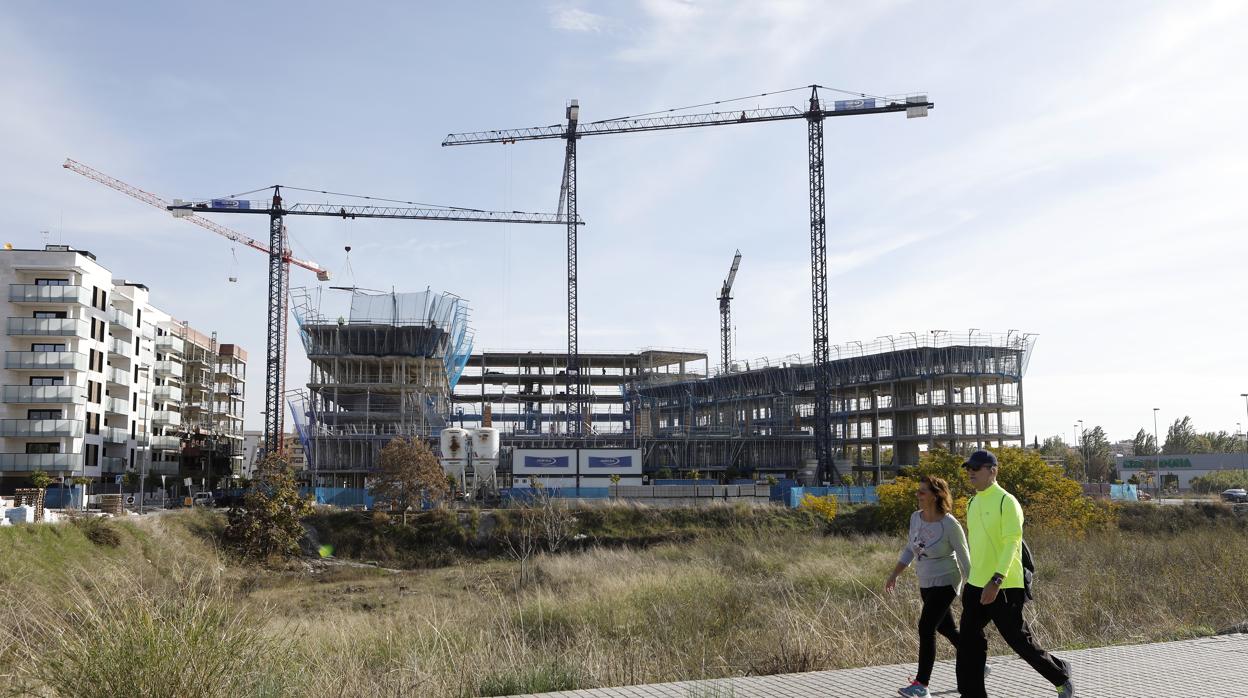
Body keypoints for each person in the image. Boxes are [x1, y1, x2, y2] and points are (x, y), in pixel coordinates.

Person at [956, 449, 1074, 698]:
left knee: (1018, 641)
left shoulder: (1006, 501)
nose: (971, 472)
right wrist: (971, 580)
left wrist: (996, 580)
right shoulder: (972, 502)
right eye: (968, 468)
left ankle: (1061, 677)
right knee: (967, 643)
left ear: (993, 471)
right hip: (976, 584)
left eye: (976, 468)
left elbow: (1012, 543)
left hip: (1004, 585)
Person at [885, 475, 971, 697]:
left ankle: (921, 685)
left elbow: (965, 559)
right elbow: (909, 549)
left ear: (935, 496)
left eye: (922, 492)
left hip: (947, 581)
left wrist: (972, 590)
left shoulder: (950, 524)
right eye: (918, 491)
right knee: (946, 628)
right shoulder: (916, 518)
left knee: (926, 626)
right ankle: (976, 660)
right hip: (925, 580)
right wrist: (894, 574)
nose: (918, 495)